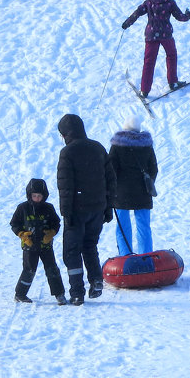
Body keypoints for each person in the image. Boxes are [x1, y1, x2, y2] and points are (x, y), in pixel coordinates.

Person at [56, 113, 117, 305]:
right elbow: (111, 179)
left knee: (72, 251)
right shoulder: (98, 147)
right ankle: (96, 280)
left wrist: (66, 213)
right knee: (90, 246)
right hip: (97, 209)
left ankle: (77, 293)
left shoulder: (67, 153)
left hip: (76, 210)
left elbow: (65, 186)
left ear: (66, 134)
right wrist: (108, 207)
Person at [122, 0, 190, 98]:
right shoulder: (170, 2)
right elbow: (180, 17)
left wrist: (127, 23)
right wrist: (188, 15)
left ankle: (144, 90)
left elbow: (137, 13)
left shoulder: (149, 2)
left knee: (149, 61)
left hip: (151, 35)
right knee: (171, 55)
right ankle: (173, 82)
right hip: (166, 35)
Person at [10, 178, 67, 305]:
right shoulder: (22, 208)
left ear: (44, 196)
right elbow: (14, 224)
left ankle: (59, 294)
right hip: (29, 246)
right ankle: (20, 294)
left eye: (39, 196)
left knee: (52, 269)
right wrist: (22, 234)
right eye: (34, 196)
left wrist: (51, 233)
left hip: (45, 246)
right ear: (29, 195)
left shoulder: (49, 208)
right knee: (29, 270)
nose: (36, 198)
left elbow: (56, 223)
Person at [108, 115, 159, 256]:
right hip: (143, 192)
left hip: (121, 192)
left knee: (122, 227)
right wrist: (148, 183)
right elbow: (153, 169)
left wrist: (114, 187)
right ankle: (146, 255)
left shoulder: (117, 146)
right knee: (144, 226)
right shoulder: (146, 145)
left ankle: (125, 257)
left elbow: (111, 170)